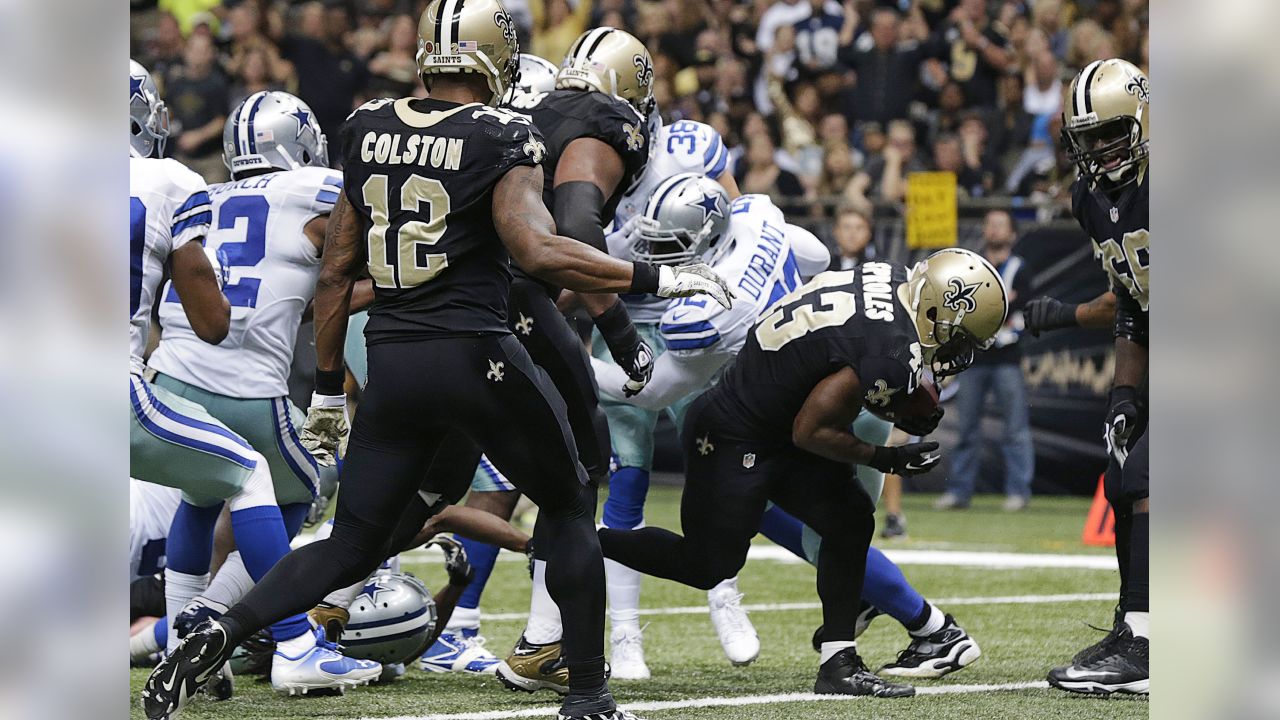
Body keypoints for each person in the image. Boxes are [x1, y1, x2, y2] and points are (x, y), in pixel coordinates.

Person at [140, 3, 730, 718]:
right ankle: (586, 695)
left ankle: (219, 629)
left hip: (393, 361)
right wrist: (655, 278)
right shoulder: (505, 131)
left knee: (353, 542)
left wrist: (328, 387)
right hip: (477, 354)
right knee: (571, 500)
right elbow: (538, 250)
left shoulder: (367, 125)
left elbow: (333, 274)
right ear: (497, 57)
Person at [593, 176, 981, 680]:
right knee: (708, 564)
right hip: (736, 434)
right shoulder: (725, 282)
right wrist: (886, 456)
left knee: (847, 519)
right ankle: (585, 538)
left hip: (774, 416)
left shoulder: (882, 278)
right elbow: (808, 429)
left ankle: (840, 660)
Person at [129, 62, 383, 705]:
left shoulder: (204, 192)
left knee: (199, 492)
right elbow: (361, 259)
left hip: (168, 376)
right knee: (301, 494)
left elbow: (273, 294)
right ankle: (290, 642)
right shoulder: (319, 189)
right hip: (246, 391)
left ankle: (188, 630)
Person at [1040, 58, 1149, 696]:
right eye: (1089, 137)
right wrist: (1125, 394)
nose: (1102, 149)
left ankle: (1150, 638)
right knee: (1121, 472)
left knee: (1150, 474)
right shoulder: (1092, 198)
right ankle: (1135, 620)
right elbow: (1134, 304)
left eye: (1113, 132)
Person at [936, 210, 1034, 511]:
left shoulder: (1021, 268)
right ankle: (960, 492)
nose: (993, 230)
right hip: (974, 357)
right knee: (966, 429)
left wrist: (987, 306)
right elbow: (962, 309)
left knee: (1015, 429)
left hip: (1007, 358)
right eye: (989, 224)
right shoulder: (972, 268)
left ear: (1013, 234)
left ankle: (1018, 491)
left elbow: (1020, 306)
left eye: (1000, 225)